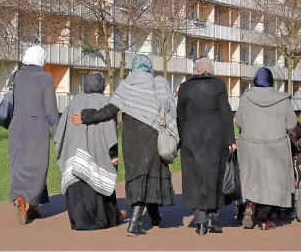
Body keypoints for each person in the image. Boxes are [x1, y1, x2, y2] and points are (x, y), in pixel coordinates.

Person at [72, 54, 179, 237]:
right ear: (148, 66)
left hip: (131, 138)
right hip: (153, 136)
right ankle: (135, 223)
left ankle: (155, 218)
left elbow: (109, 111)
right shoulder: (159, 83)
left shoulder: (127, 84)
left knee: (139, 175)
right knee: (151, 173)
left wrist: (86, 117)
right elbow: (170, 110)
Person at [54, 71, 125, 231]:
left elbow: (61, 131)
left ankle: (79, 222)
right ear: (101, 84)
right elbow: (111, 132)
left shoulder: (74, 101)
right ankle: (105, 219)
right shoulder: (105, 101)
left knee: (77, 188)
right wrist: (113, 154)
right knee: (99, 182)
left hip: (74, 154)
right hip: (99, 155)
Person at [177, 57, 236, 235]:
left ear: (196, 70)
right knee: (213, 176)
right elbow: (226, 112)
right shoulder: (218, 85)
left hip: (190, 137)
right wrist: (231, 139)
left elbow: (180, 115)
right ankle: (211, 219)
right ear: (207, 70)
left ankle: (200, 221)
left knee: (194, 178)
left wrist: (180, 136)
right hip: (214, 136)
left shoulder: (185, 87)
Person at [235, 67, 297, 230]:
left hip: (250, 146)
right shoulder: (283, 99)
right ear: (271, 82)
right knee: (273, 181)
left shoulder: (246, 97)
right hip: (275, 147)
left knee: (252, 177)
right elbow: (291, 124)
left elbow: (239, 122)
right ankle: (267, 220)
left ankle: (250, 205)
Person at [8, 46, 59, 225]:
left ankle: (33, 205)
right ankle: (24, 201)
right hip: (37, 128)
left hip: (16, 127)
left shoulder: (15, 75)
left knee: (19, 164)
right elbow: (51, 110)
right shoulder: (46, 78)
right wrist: (58, 133)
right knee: (38, 167)